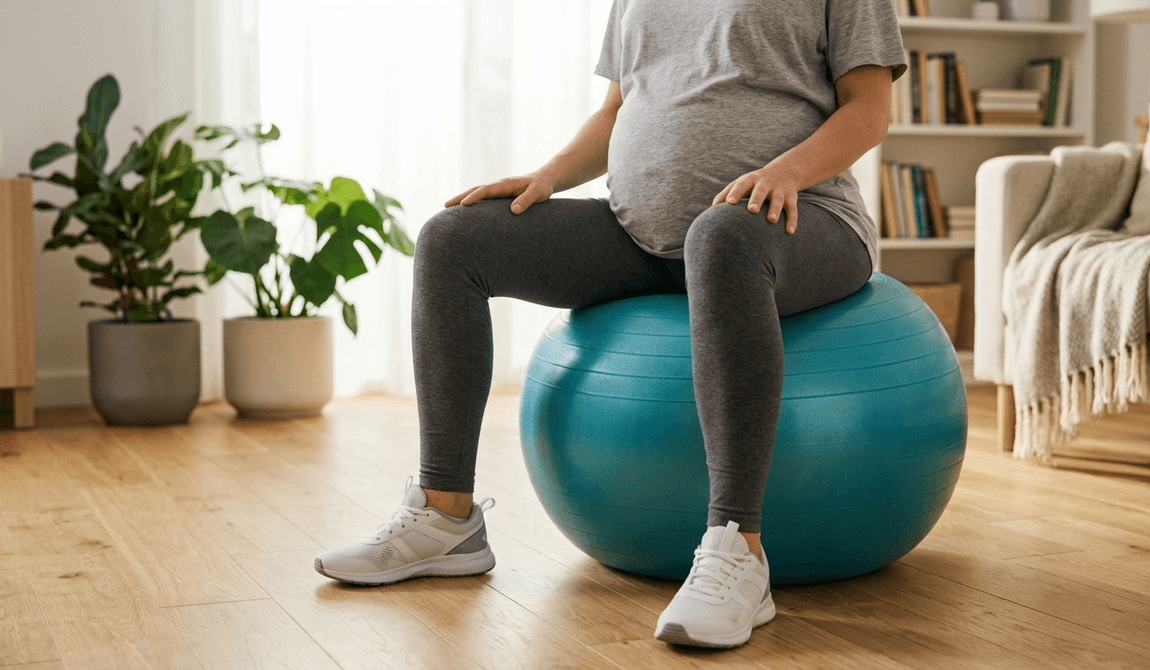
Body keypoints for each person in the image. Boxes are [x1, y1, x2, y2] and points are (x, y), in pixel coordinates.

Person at [314, 0, 907, 649]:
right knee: (454, 240)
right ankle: (443, 518)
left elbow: (869, 108)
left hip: (800, 223)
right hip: (640, 234)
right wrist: (548, 176)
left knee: (721, 238)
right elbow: (618, 109)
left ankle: (737, 551)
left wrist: (786, 171)